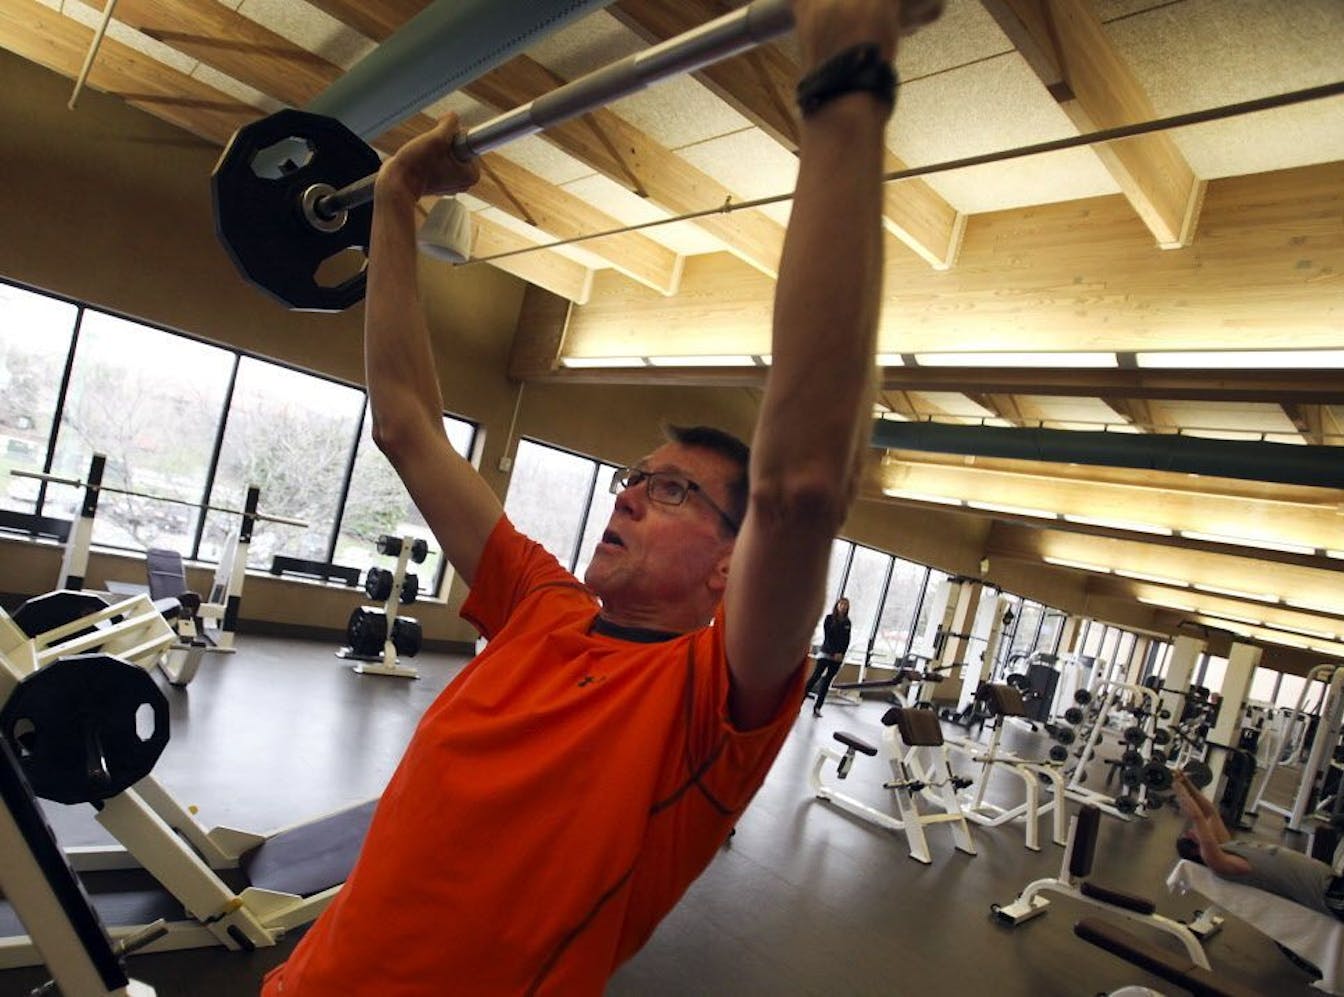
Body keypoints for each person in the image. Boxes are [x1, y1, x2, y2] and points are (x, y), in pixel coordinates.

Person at [261, 1, 932, 993]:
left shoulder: (708, 706)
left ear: (725, 563)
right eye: (628, 480)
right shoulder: (539, 605)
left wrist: (845, 74)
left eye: (666, 490)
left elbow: (796, 490)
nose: (622, 500)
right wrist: (393, 207)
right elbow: (404, 421)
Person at [1172, 769, 1344, 958]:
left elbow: (1208, 813)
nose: (1192, 830)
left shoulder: (1230, 848)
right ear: (1198, 849)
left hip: (1340, 885)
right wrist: (1178, 789)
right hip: (1339, 900)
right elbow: (1197, 817)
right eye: (1190, 835)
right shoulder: (1222, 862)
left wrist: (1187, 783)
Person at [805, 597, 852, 717]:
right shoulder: (829, 618)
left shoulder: (847, 622)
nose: (843, 606)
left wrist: (841, 654)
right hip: (826, 653)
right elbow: (828, 637)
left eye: (846, 605)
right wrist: (833, 653)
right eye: (841, 604)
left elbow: (846, 641)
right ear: (837, 605)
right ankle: (798, 702)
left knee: (826, 682)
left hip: (838, 657)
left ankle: (817, 708)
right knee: (815, 677)